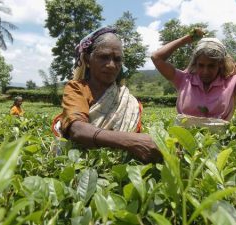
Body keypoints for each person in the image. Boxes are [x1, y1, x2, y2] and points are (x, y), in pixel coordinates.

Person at [52, 26, 161, 163]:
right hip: (80, 165)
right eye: (103, 57)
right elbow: (77, 129)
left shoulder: (126, 99)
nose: (111, 65)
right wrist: (129, 140)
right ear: (87, 60)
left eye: (117, 59)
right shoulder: (77, 88)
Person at [151, 29, 236, 124]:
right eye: (201, 65)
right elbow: (157, 57)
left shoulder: (233, 83)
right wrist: (188, 38)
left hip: (217, 144)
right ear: (195, 64)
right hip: (183, 142)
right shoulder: (183, 79)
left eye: (211, 66)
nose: (205, 71)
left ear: (220, 65)